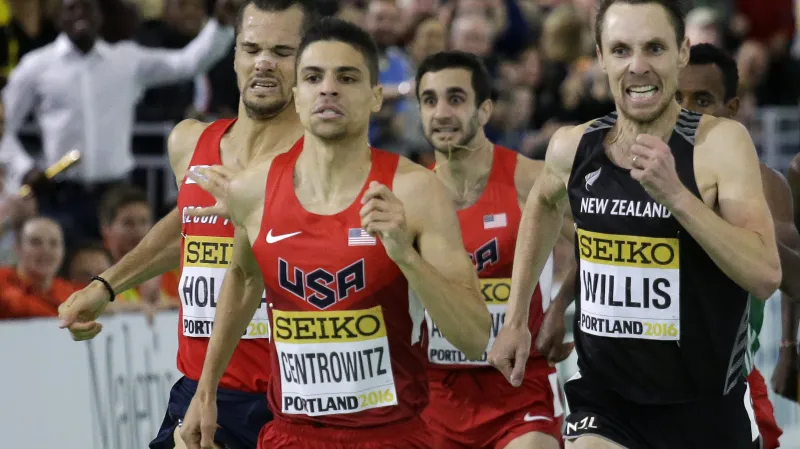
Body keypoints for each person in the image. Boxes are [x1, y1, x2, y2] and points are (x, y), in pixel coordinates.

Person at [181, 17, 491, 449]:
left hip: (390, 438)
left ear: (376, 97)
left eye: (346, 77)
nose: (328, 88)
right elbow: (244, 278)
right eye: (313, 77)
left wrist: (406, 256)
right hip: (289, 437)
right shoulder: (253, 190)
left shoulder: (415, 191)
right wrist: (205, 390)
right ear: (296, 94)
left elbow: (475, 338)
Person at [488, 1, 782, 448]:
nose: (638, 66)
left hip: (705, 407)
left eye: (654, 48)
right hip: (607, 403)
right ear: (601, 57)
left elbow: (764, 275)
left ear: (682, 53)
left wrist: (678, 197)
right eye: (622, 50)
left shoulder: (719, 145)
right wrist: (516, 319)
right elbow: (544, 205)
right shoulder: (572, 145)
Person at [57, 1, 318, 448]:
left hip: (285, 401)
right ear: (233, 55)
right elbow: (188, 223)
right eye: (251, 48)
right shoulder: (191, 141)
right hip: (196, 388)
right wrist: (105, 286)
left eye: (282, 51)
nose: (264, 64)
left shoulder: (320, 161)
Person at [414, 50, 564, 449]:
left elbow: (600, 242)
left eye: (455, 98)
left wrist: (561, 309)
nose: (441, 112)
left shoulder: (529, 179)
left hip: (519, 388)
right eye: (429, 101)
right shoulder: (410, 194)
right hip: (436, 395)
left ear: (484, 110)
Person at [0, 0, 240, 243]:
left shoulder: (125, 60)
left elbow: (186, 63)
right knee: (70, 276)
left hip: (116, 195)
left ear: (100, 15)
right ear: (57, 16)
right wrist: (23, 167)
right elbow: (2, 124)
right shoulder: (36, 66)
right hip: (61, 196)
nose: (80, 13)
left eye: (88, 7)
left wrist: (220, 25)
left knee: (118, 275)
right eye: (71, 8)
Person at [0, 216, 76, 319]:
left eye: (54, 243)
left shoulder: (70, 292)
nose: (46, 250)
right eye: (35, 242)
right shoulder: (2, 280)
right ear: (18, 248)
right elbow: (16, 306)